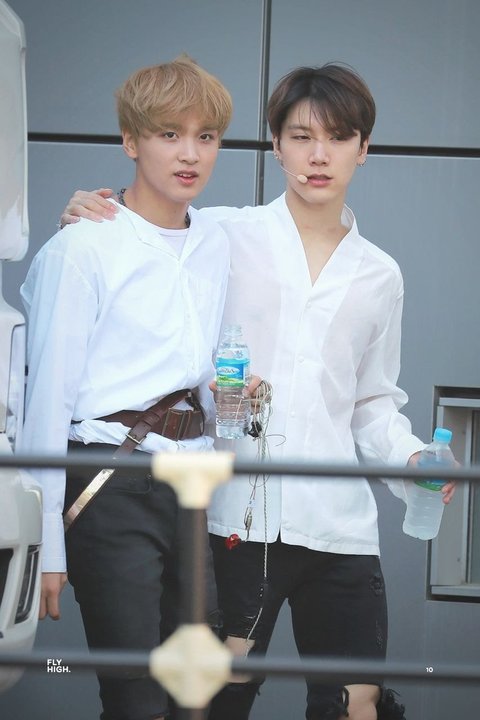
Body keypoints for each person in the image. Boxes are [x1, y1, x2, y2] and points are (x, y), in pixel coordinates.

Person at [59, 63, 455, 720]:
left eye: (339, 137)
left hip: (339, 526)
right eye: (301, 137)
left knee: (356, 706)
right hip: (235, 521)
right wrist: (87, 211)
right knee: (212, 703)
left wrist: (411, 457)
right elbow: (138, 234)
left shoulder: (380, 275)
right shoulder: (219, 233)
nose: (319, 156)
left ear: (363, 147)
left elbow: (372, 402)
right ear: (275, 145)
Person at [20, 55, 233, 720]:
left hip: (191, 482)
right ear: (130, 140)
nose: (190, 153)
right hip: (109, 478)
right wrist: (44, 543)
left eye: (205, 136)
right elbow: (45, 399)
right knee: (136, 697)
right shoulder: (84, 246)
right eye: (169, 134)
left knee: (196, 693)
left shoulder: (219, 240)